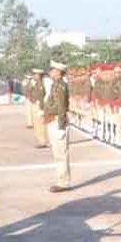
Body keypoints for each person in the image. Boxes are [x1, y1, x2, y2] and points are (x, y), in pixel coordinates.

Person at [43, 61, 71, 192]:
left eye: (52, 70)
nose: (50, 72)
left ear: (59, 72)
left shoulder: (60, 86)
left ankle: (64, 182)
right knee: (57, 153)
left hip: (57, 121)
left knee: (61, 153)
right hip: (52, 120)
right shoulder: (55, 85)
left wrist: (61, 126)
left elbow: (61, 107)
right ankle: (61, 179)